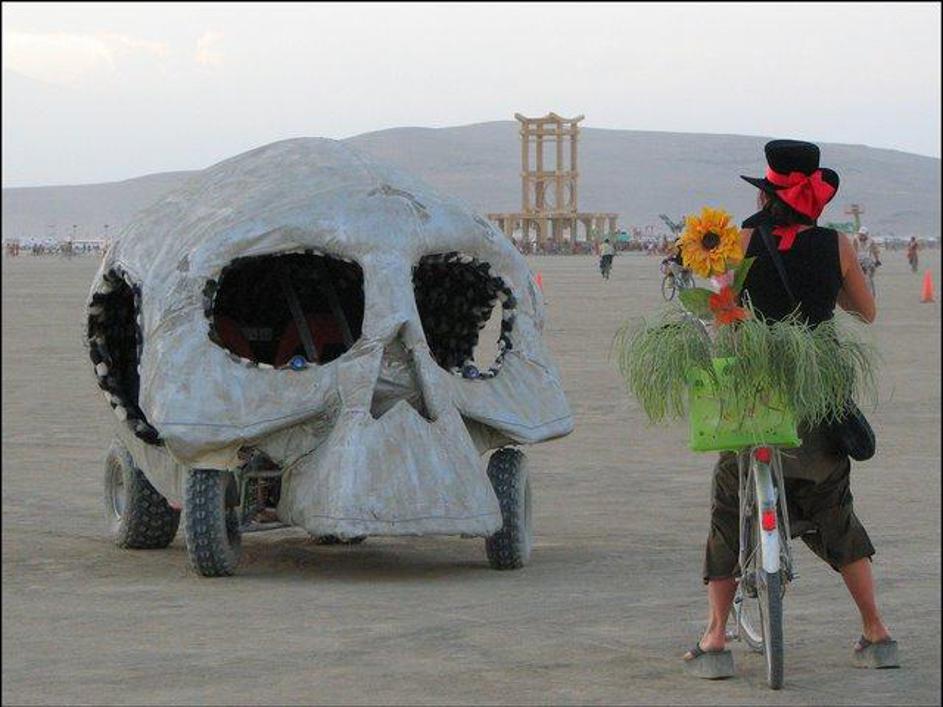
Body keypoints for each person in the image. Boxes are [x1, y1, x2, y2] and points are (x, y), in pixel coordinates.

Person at [683, 139, 897, 678]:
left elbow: (723, 310)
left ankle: (715, 637)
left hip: (755, 389)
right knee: (832, 504)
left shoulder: (741, 240)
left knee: (730, 502)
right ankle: (876, 631)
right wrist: (830, 288)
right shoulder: (837, 244)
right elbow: (866, 313)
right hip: (815, 389)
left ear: (767, 192)